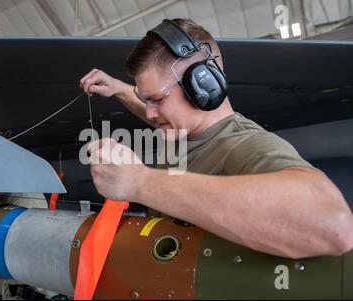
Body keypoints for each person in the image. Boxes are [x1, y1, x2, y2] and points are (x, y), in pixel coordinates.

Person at [80, 18, 353, 259]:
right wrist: (118, 89)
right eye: (145, 100)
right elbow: (150, 110)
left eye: (157, 99)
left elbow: (335, 226)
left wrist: (139, 181)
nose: (150, 113)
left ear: (203, 85)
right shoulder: (180, 126)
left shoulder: (244, 145)